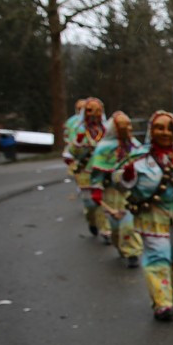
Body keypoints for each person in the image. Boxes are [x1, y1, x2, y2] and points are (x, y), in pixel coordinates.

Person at [117, 111, 173, 321]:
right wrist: (127, 176)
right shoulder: (139, 156)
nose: (165, 132)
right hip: (152, 215)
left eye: (169, 128)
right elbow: (119, 182)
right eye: (159, 128)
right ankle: (162, 302)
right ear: (151, 131)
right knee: (158, 254)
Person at [89, 111, 143, 265]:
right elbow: (97, 174)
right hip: (111, 193)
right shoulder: (104, 148)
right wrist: (97, 189)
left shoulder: (136, 146)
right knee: (116, 227)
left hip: (130, 192)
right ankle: (119, 245)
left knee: (129, 225)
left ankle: (133, 252)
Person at [63, 97, 110, 240]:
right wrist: (77, 143)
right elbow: (70, 149)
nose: (94, 114)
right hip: (85, 170)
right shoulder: (77, 127)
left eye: (98, 110)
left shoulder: (107, 129)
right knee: (90, 203)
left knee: (102, 200)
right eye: (90, 110)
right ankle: (92, 221)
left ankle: (106, 230)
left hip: (102, 171)